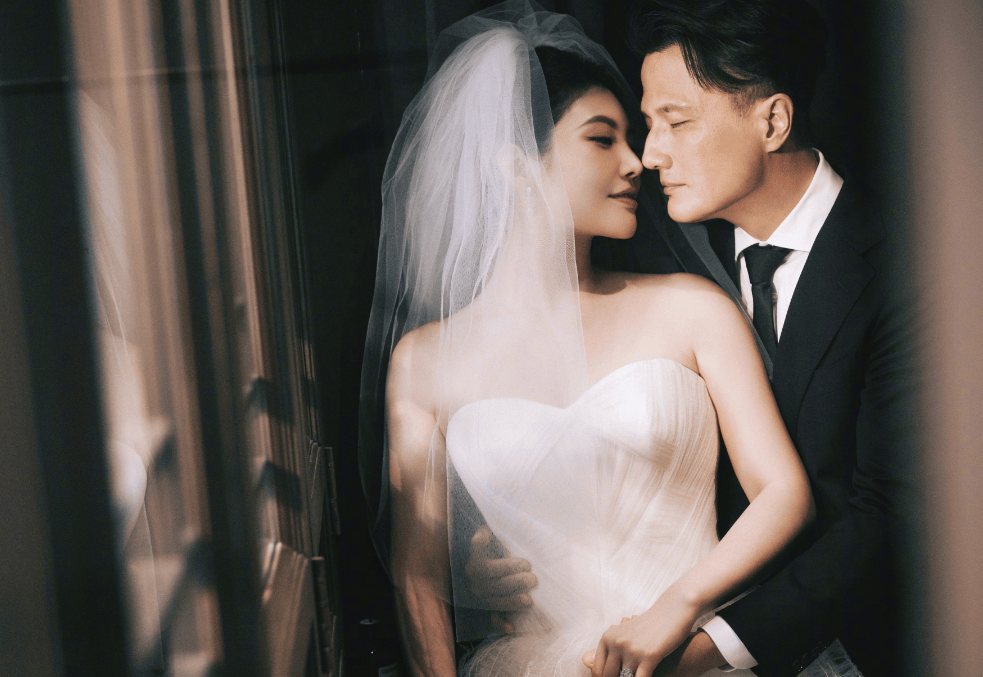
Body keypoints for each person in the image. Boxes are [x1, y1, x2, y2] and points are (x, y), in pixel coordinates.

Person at [358, 3, 816, 676]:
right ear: (517, 165)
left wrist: (677, 609)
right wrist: (472, 574)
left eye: (634, 137)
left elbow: (783, 492)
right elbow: (417, 576)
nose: (638, 162)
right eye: (602, 139)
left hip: (692, 657)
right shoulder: (424, 363)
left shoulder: (693, 311)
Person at [471, 1, 917, 676]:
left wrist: (705, 648)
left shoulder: (913, 264)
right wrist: (510, 546)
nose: (650, 156)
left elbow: (893, 511)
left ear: (773, 121)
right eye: (647, 125)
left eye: (675, 122)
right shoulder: (650, 249)